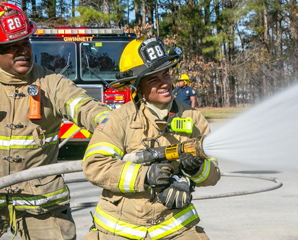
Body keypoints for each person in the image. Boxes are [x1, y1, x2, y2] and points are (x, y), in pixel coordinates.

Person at [0, 3, 110, 240]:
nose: (22, 51)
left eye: (25, 43)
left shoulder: (51, 83)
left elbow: (85, 108)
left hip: (41, 204)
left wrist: (113, 124)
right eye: (12, 46)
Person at [82, 36, 220, 240]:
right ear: (138, 86)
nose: (165, 83)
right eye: (154, 79)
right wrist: (144, 176)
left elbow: (213, 174)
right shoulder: (119, 119)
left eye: (166, 75)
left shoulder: (193, 118)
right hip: (118, 228)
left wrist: (194, 169)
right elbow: (95, 165)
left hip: (175, 226)